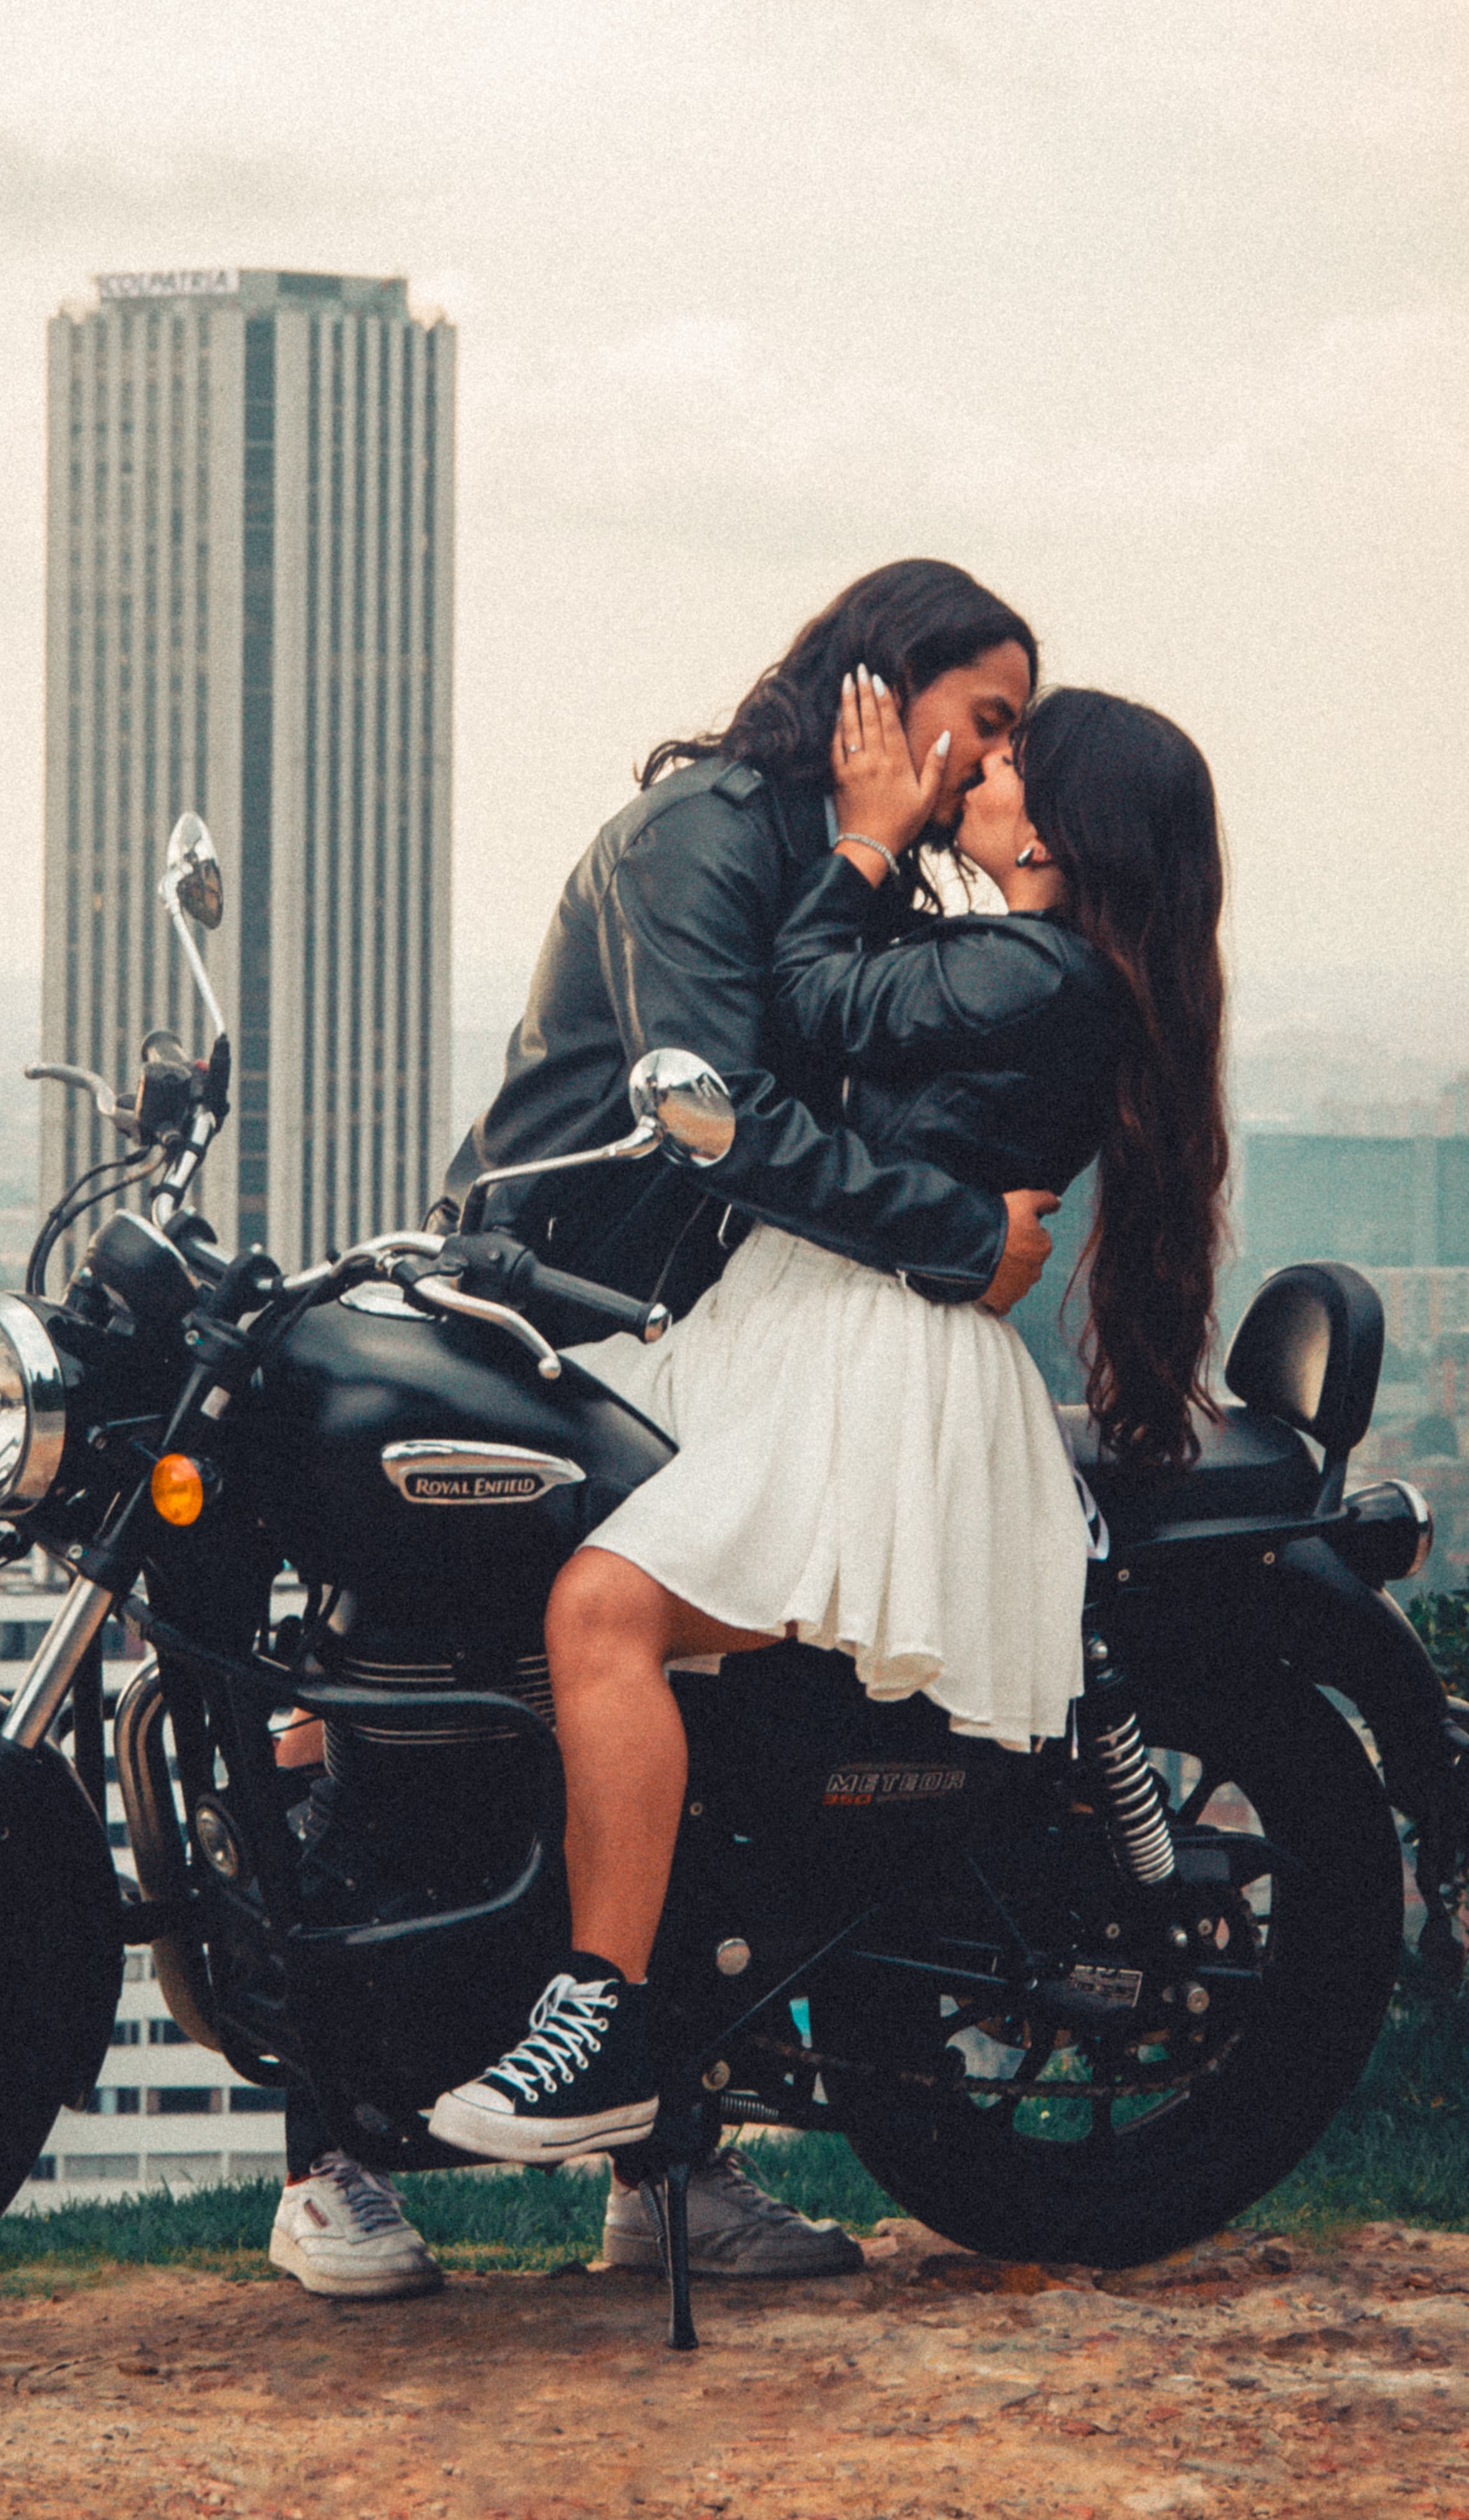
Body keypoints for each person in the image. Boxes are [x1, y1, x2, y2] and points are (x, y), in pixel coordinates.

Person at [269, 557, 1057, 2299]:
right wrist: (953, 1236)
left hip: (694, 1333)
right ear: (881, 686)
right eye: (985, 717)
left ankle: (663, 2167)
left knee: (656, 1692)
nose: (1001, 757)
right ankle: (327, 2140)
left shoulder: (850, 868)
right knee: (396, 1695)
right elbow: (733, 1110)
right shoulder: (704, 833)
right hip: (569, 1312)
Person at [425, 680, 1229, 2166]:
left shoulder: (1040, 973)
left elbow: (795, 1005)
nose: (975, 769)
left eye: (1005, 760)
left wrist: (863, 843)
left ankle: (599, 2024)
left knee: (602, 1615)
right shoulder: (1023, 960)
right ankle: (664, 2111)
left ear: (1057, 827)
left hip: (870, 1359)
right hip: (797, 1324)